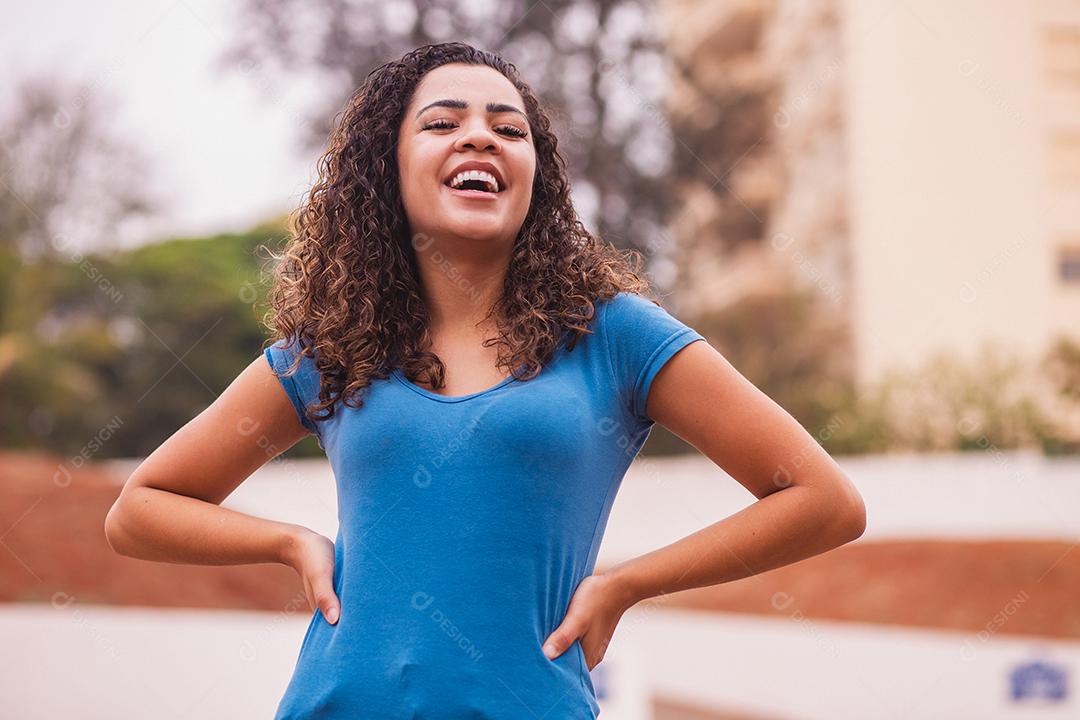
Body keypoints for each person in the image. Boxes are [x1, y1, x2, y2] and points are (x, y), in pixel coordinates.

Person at [104, 41, 866, 719]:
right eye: (442, 123)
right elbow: (141, 509)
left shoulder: (614, 336)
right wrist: (289, 543)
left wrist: (625, 584)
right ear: (388, 169)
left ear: (536, 174)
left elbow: (822, 501)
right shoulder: (333, 348)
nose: (480, 136)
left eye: (510, 129)